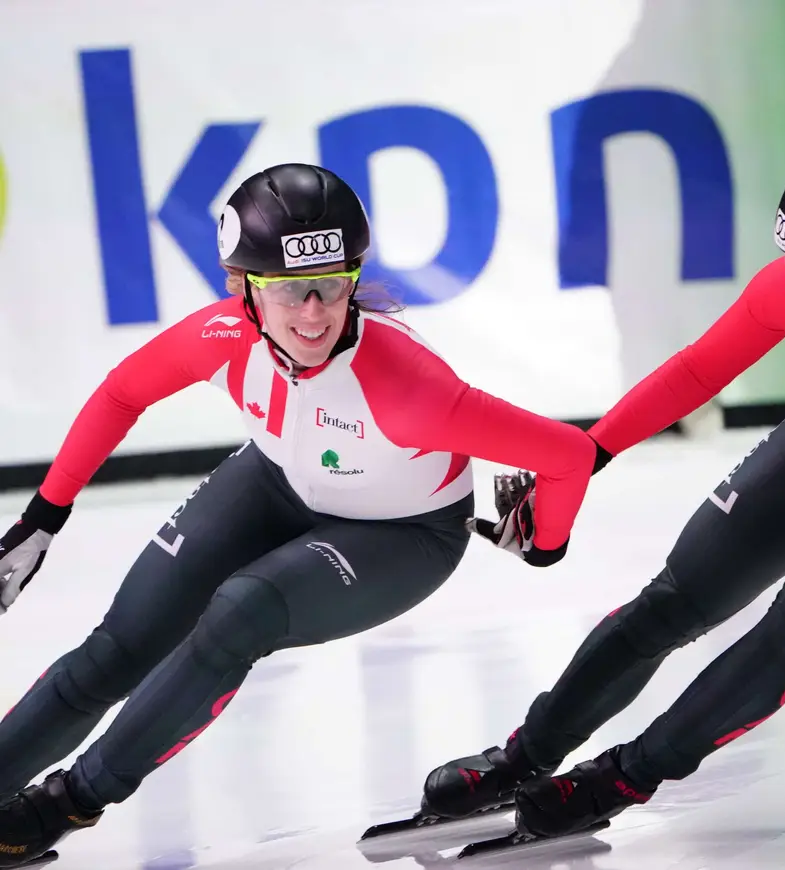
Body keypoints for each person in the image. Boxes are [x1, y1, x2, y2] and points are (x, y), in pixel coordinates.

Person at [0, 162, 607, 866]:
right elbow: (121, 393)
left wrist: (545, 543)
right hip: (278, 481)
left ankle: (64, 803)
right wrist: (44, 517)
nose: (314, 313)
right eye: (289, 289)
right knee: (117, 648)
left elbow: (569, 454)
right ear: (244, 289)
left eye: (332, 285)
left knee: (243, 611)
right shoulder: (222, 335)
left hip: (402, 534)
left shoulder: (409, 390)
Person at [418, 137, 785, 840]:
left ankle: (627, 774)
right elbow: (699, 369)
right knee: (679, 595)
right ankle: (525, 756)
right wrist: (589, 453)